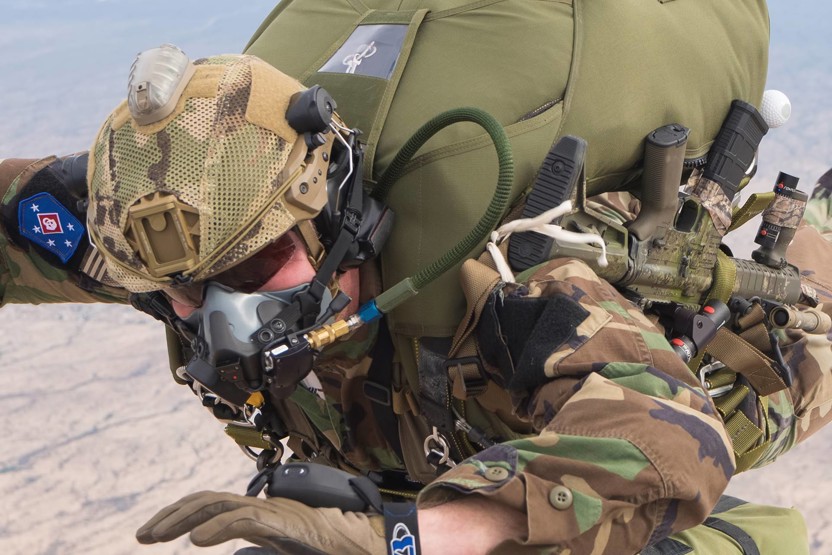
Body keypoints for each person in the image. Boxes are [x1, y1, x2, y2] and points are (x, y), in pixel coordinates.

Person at [1, 5, 829, 555]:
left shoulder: (502, 285)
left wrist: (404, 537)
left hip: (748, 375)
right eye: (185, 293)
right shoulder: (166, 236)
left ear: (333, 217)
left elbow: (674, 440)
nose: (226, 318)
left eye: (256, 268)